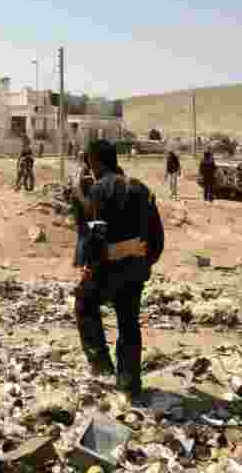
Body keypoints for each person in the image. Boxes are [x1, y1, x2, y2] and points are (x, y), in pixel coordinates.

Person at [68, 139, 164, 399]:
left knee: (85, 304)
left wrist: (90, 266)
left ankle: (101, 365)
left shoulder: (99, 191)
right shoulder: (141, 188)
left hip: (107, 270)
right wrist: (144, 263)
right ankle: (129, 383)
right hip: (135, 270)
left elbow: (95, 234)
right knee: (129, 323)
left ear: (95, 162)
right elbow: (157, 237)